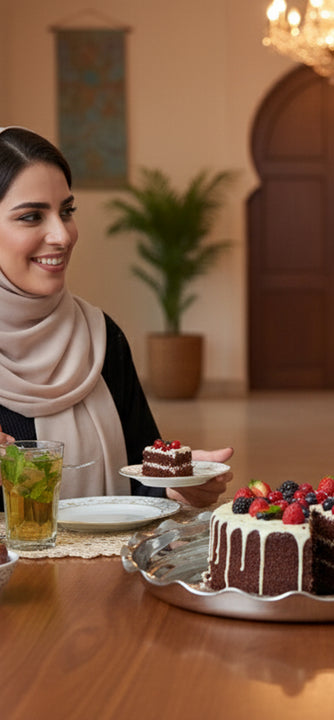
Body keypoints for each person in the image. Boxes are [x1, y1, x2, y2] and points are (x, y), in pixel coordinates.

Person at [0, 126, 232, 509]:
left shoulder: (99, 336)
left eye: (67, 211)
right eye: (31, 217)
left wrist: (175, 484)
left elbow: (139, 478)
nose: (62, 235)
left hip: (105, 569)